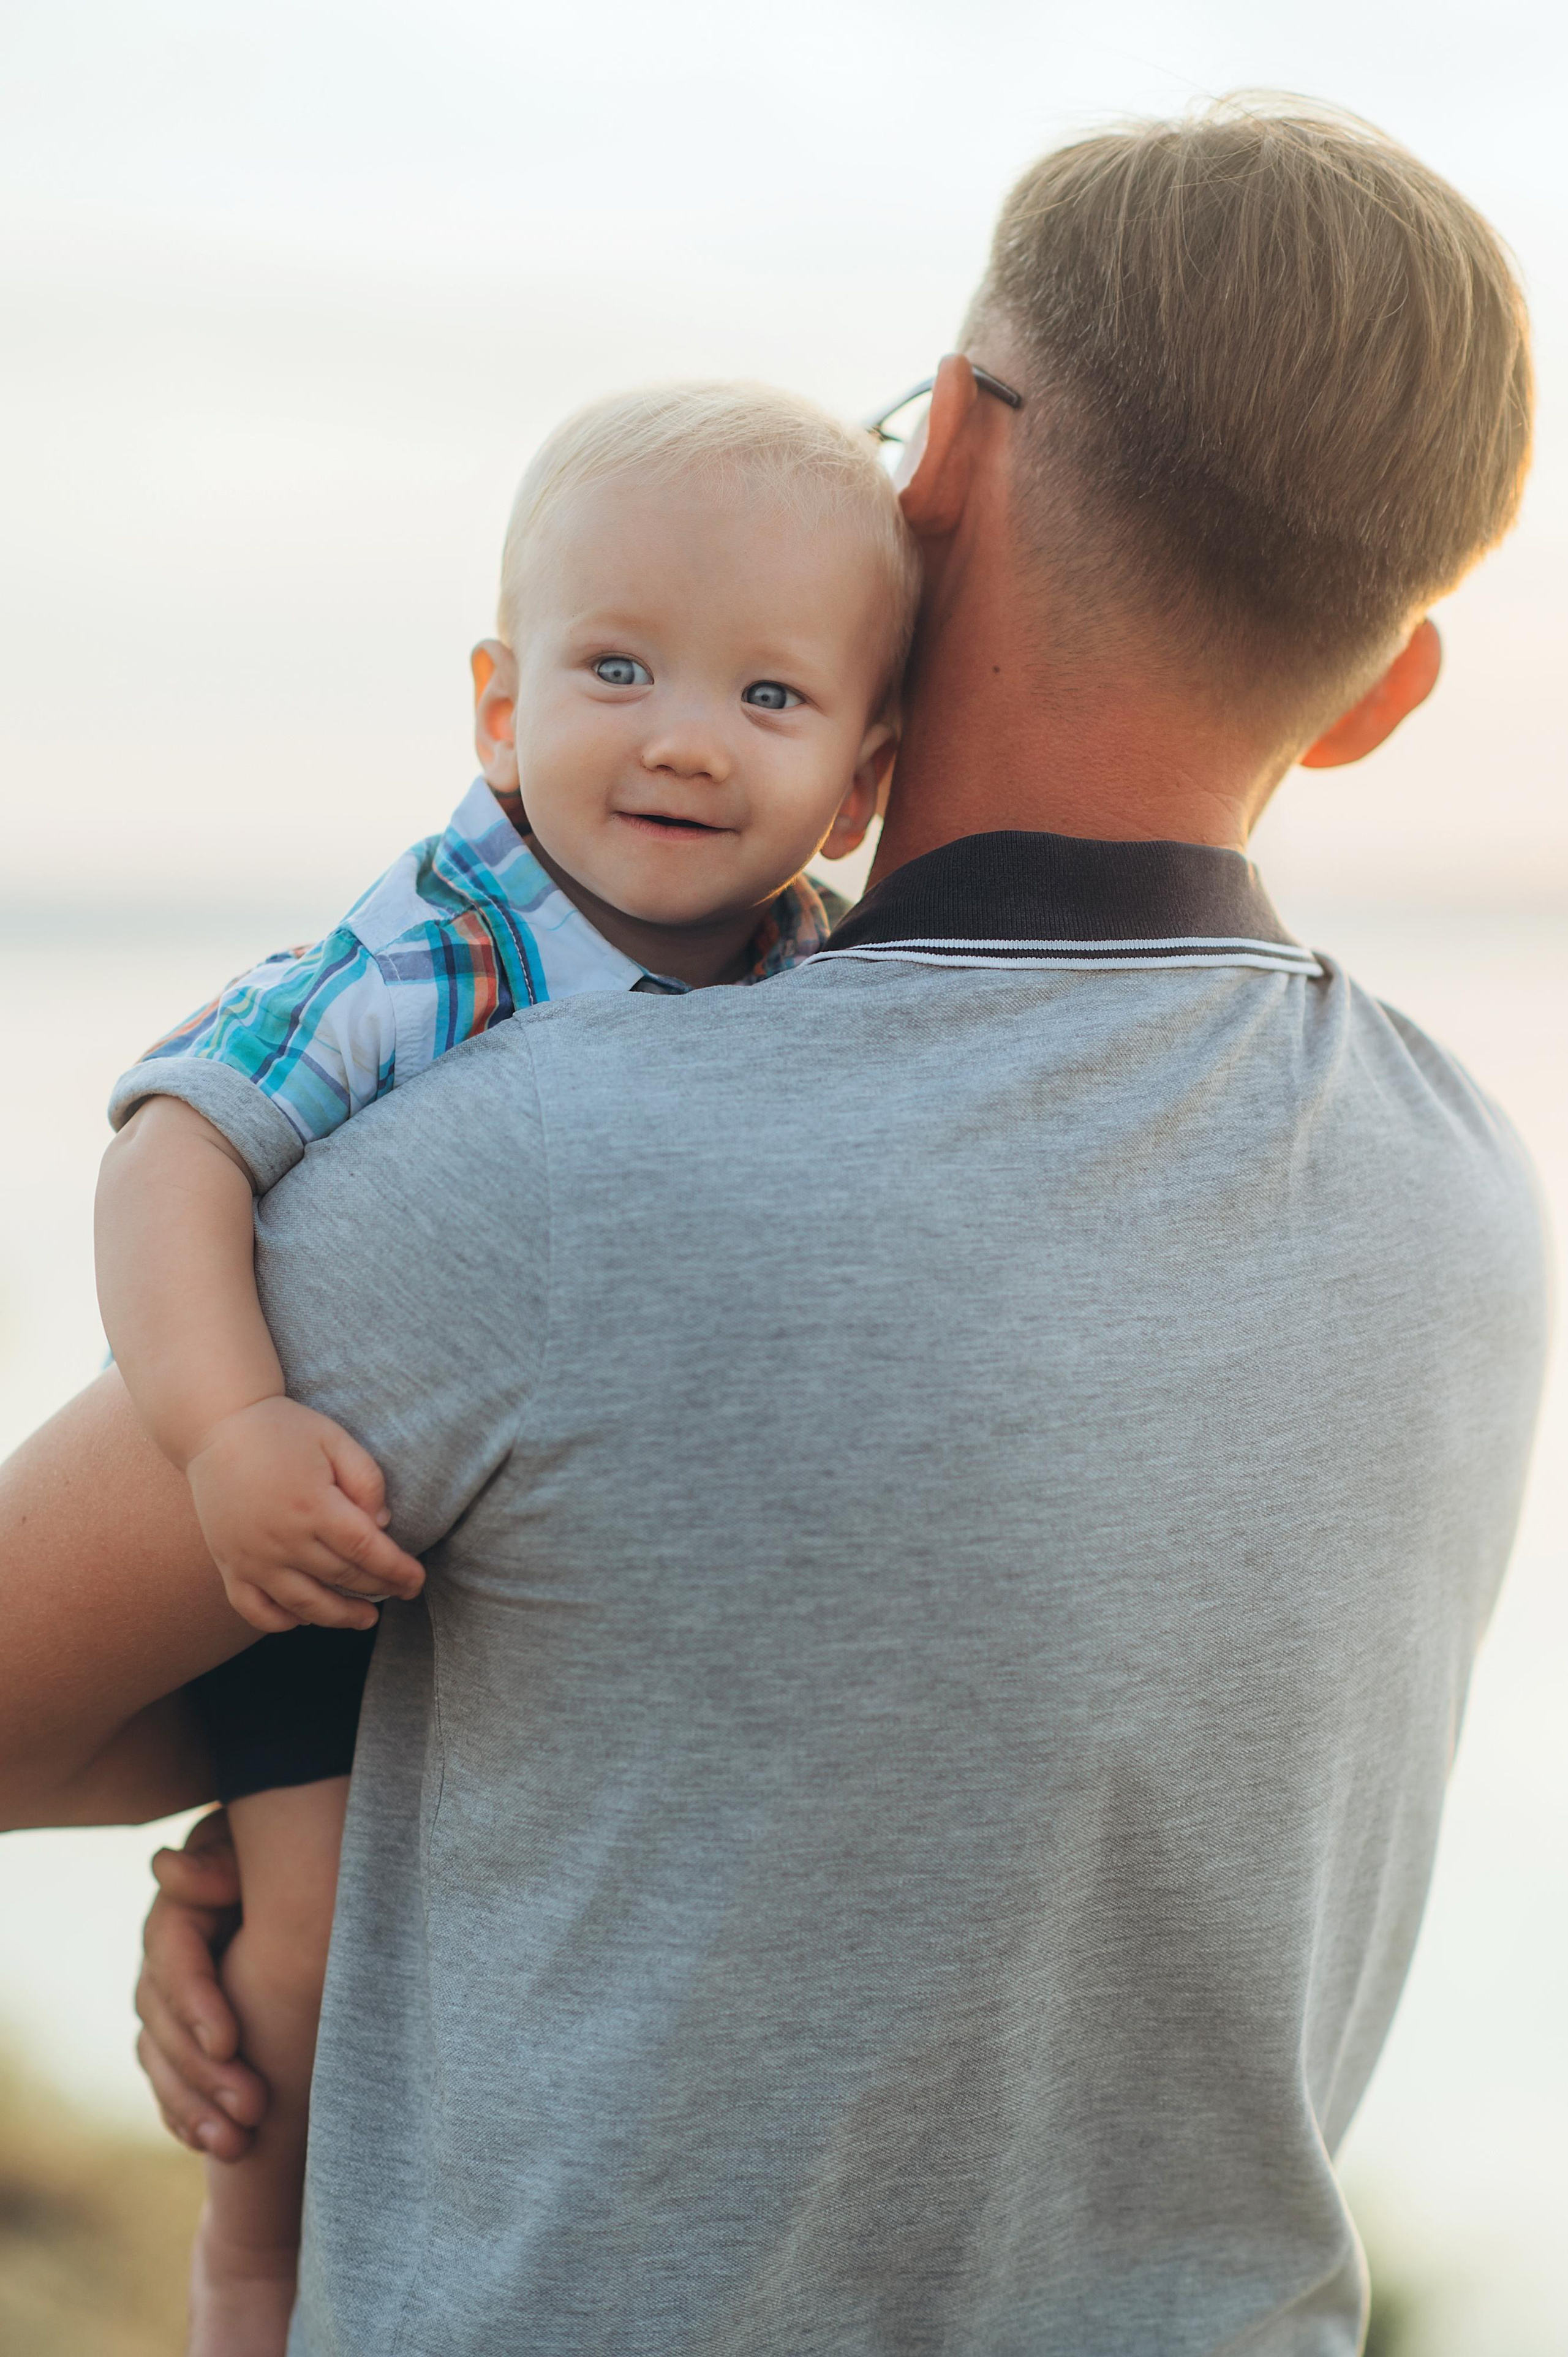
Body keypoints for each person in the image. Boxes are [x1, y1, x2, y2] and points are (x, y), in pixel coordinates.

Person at [0, 96, 1549, 2356]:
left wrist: (321, 1821)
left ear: (948, 473)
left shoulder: (553, 1161)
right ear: (1392, 696)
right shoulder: (1472, 1194)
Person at [91, 380, 917, 2354]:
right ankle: (254, 2281)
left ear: (865, 782)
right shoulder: (445, 939)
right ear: (498, 703)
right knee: (304, 1947)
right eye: (615, 667)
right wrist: (225, 1435)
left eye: (768, 700)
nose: (682, 737)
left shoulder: (825, 982)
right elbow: (177, 1139)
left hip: (569, 1604)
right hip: (324, 1542)